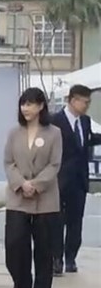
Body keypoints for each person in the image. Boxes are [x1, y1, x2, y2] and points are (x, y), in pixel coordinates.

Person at [4, 88, 62, 288]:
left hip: (45, 199)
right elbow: (9, 162)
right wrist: (21, 183)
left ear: (40, 106)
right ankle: (20, 284)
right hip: (18, 196)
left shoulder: (54, 133)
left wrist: (36, 185)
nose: (25, 108)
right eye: (23, 104)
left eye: (30, 104)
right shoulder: (14, 132)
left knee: (44, 248)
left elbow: (54, 164)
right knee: (14, 244)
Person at [50, 84, 100, 275]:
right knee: (56, 221)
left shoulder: (85, 121)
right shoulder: (55, 121)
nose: (87, 106)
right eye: (84, 102)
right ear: (72, 100)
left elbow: (87, 140)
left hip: (79, 182)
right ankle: (56, 258)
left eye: (89, 102)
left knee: (75, 222)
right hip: (59, 180)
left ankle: (71, 258)